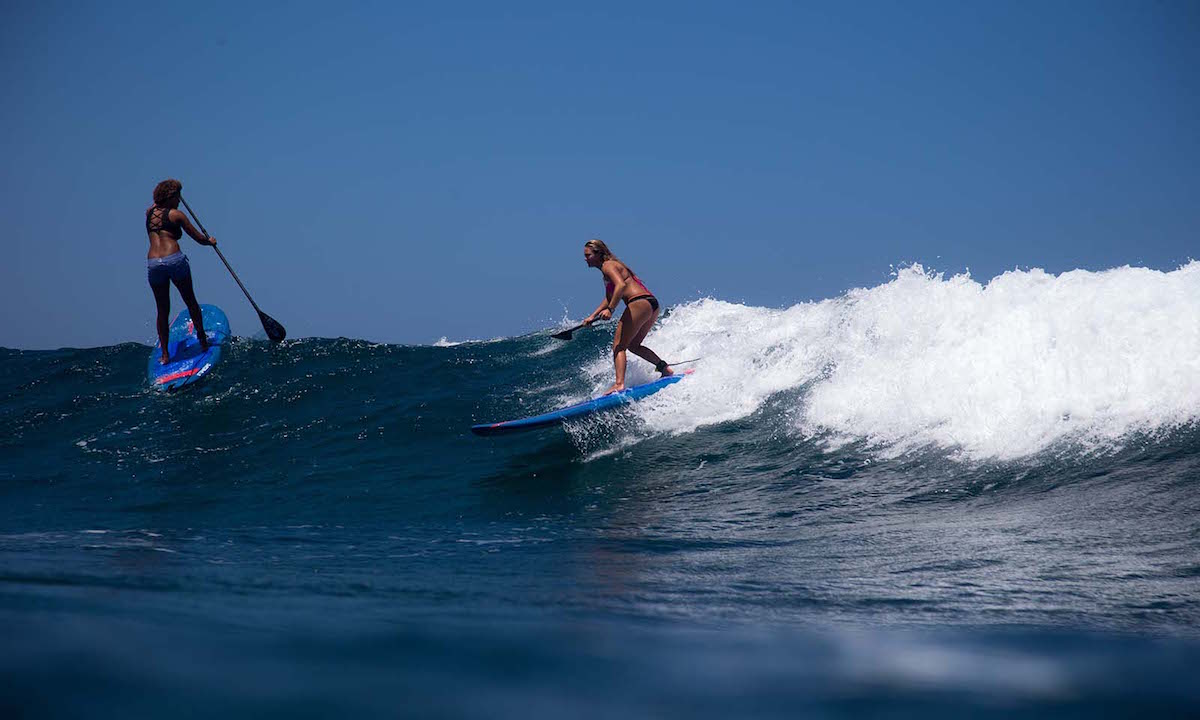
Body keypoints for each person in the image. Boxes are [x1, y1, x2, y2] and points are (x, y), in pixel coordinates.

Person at [581, 239, 673, 394]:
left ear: (598, 254)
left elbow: (621, 287)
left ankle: (619, 384)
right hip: (650, 303)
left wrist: (610, 310)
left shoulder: (607, 266)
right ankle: (665, 369)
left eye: (588, 255)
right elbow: (610, 297)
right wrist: (592, 316)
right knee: (633, 345)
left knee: (619, 346)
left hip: (638, 303)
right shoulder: (611, 267)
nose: (585, 259)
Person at [145, 179, 217, 364]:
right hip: (174, 260)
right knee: (190, 300)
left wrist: (167, 194)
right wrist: (210, 241)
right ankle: (203, 342)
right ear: (171, 197)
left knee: (162, 310)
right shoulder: (177, 215)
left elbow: (156, 204)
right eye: (178, 197)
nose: (179, 200)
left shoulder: (149, 213)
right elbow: (198, 238)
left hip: (154, 263)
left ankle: (165, 356)